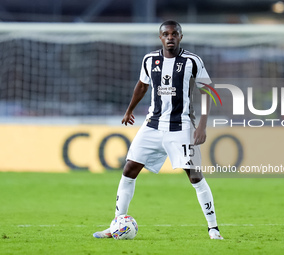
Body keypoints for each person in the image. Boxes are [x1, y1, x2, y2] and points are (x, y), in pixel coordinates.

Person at [93, 20, 223, 240]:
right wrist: (129, 110)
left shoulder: (192, 61)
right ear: (160, 37)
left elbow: (208, 91)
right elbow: (142, 85)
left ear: (180, 36)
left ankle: (213, 229)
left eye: (174, 34)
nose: (170, 37)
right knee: (129, 170)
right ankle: (116, 224)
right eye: (166, 34)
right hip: (152, 125)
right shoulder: (149, 59)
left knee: (195, 176)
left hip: (180, 126)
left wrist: (201, 125)